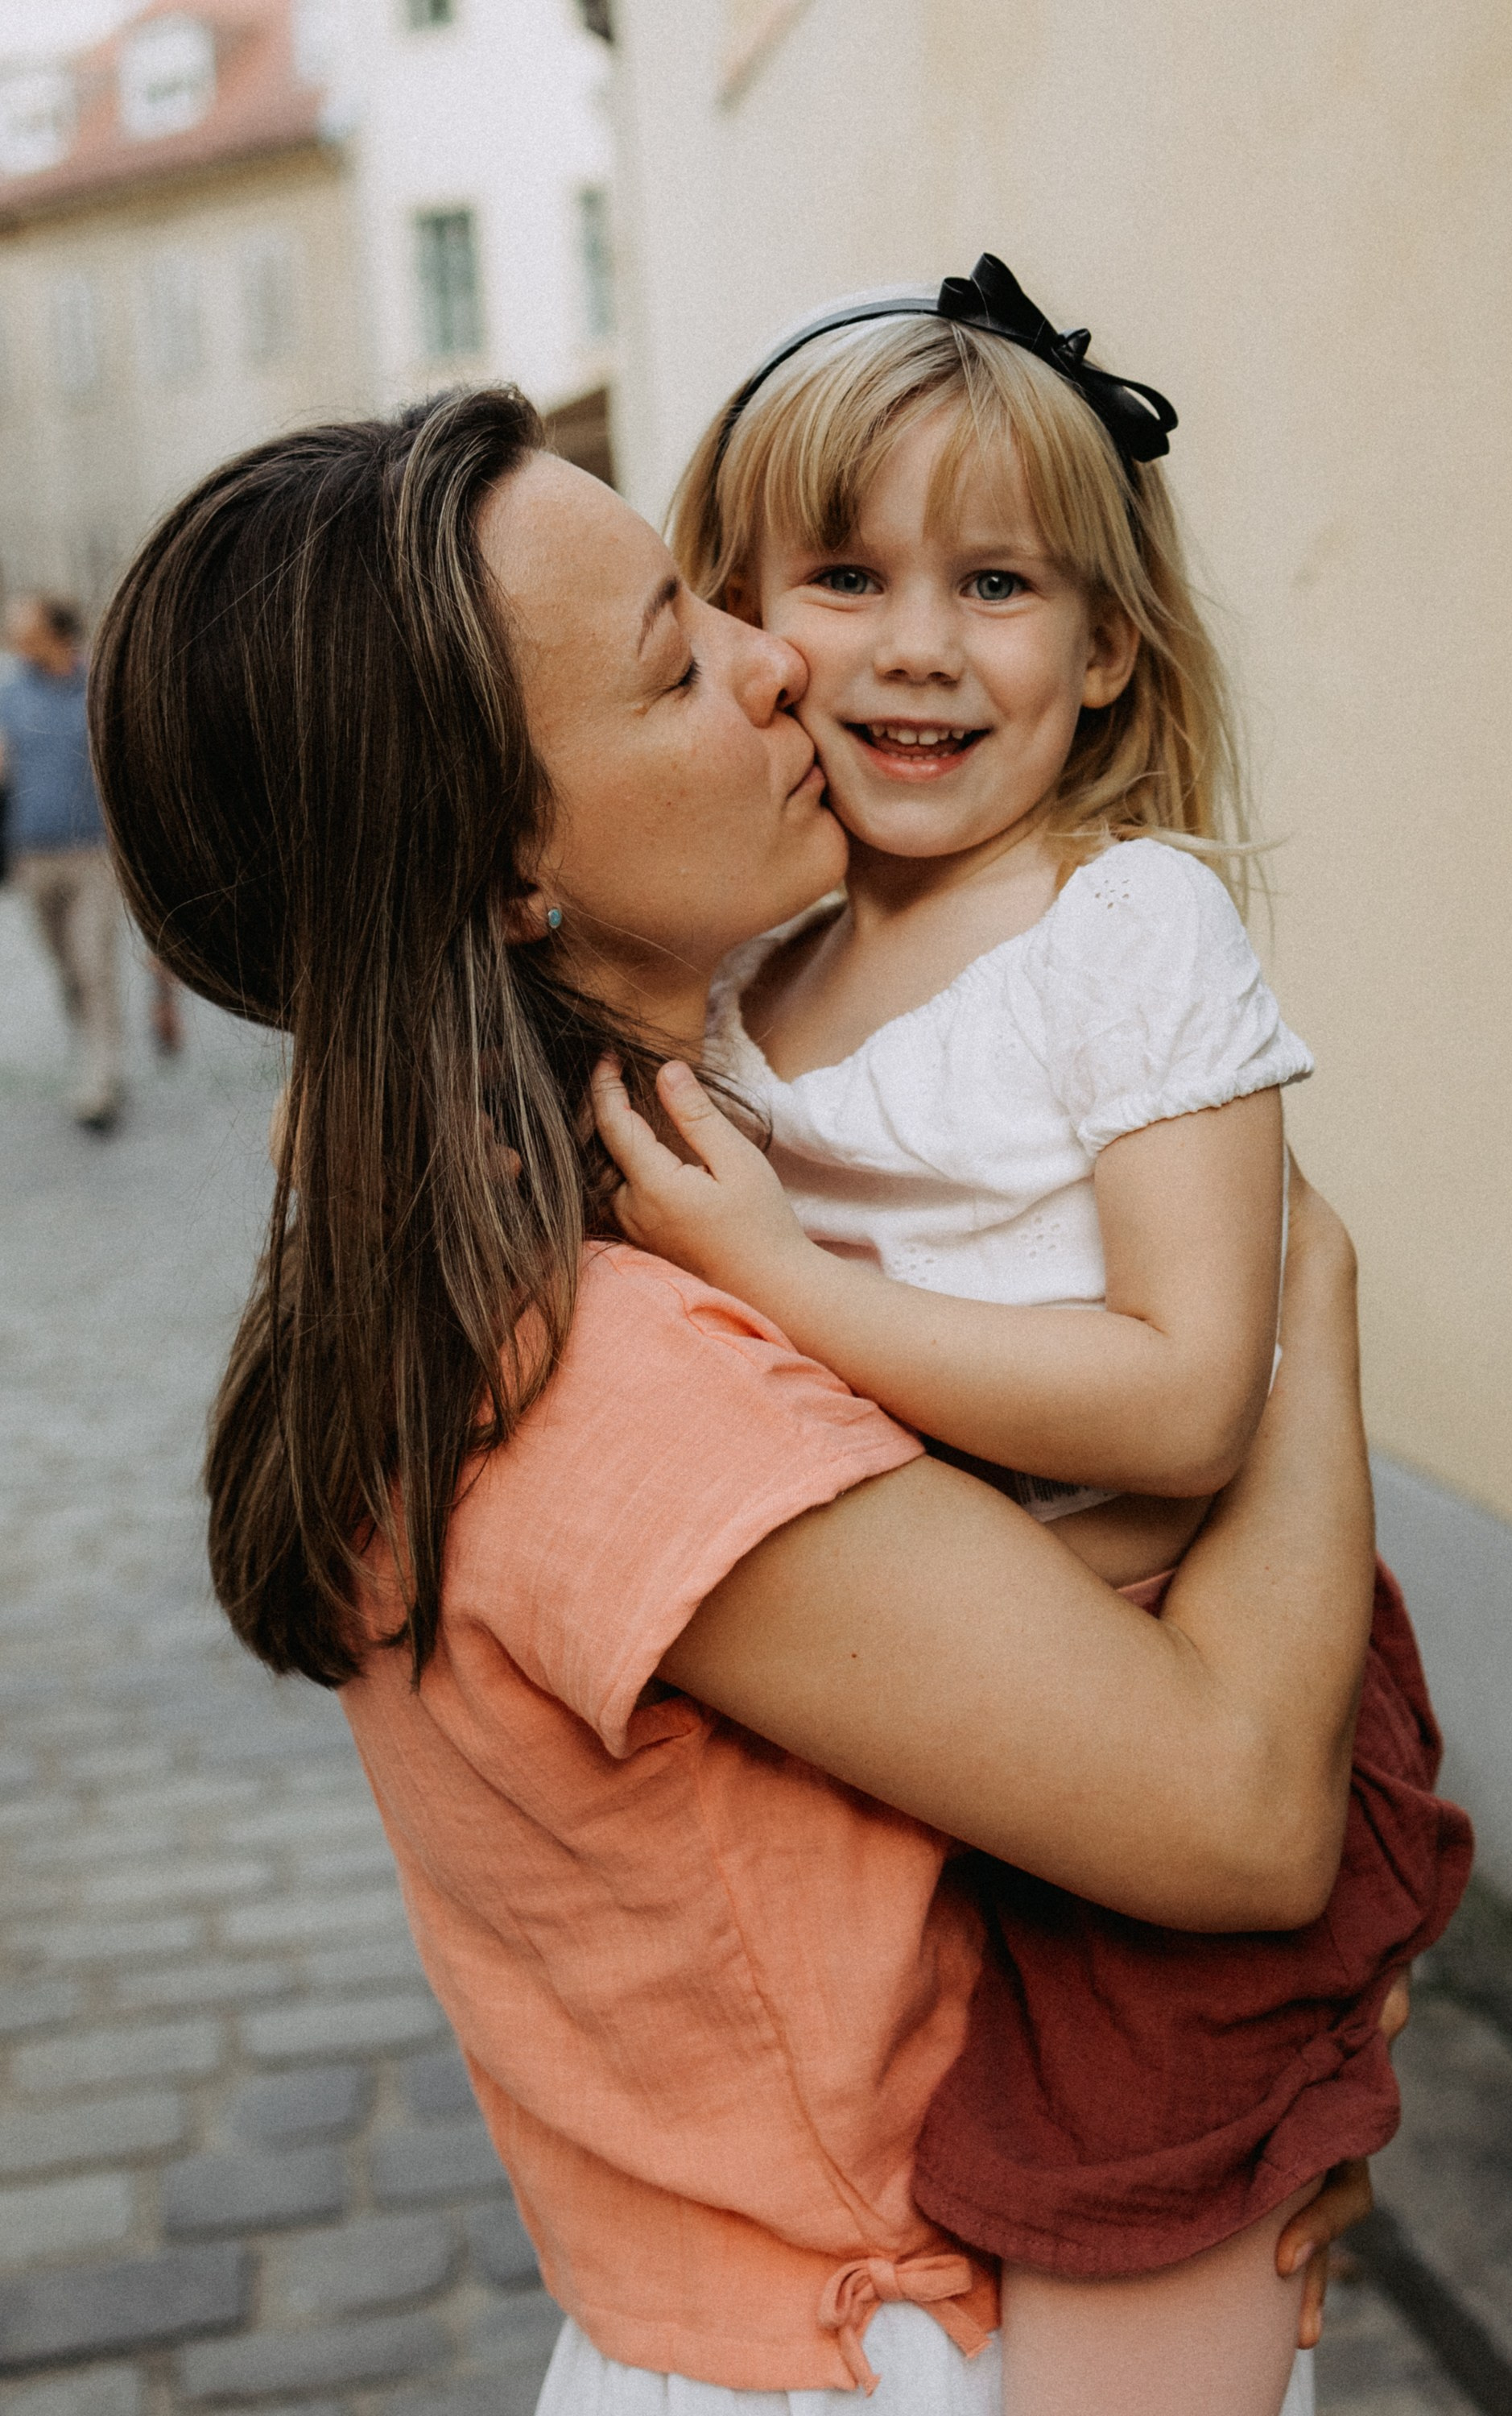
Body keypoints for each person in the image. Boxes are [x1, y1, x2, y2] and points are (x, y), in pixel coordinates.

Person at [92, 388, 1395, 2415]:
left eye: (710, 594)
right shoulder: (612, 1375)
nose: (779, 651)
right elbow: (1231, 1815)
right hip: (905, 2347)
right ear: (510, 863)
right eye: (674, 659)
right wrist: (1304, 1293)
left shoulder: (549, 1226)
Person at [583, 256, 1473, 2416]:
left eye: (996, 584)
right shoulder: (759, 970)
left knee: (1125, 2273)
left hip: (1193, 1676)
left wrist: (797, 1287)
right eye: (844, 573)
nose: (912, 644)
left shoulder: (1125, 926)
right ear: (734, 623)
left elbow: (1186, 1394)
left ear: (1107, 658)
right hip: (988, 1739)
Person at [0, 594, 123, 1131]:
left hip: (92, 856)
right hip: (32, 857)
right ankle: (92, 1053)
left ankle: (101, 1079)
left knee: (93, 966)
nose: (9, 624)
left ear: (51, 629)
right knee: (67, 969)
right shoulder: (8, 694)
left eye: (20, 616)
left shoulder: (98, 685)